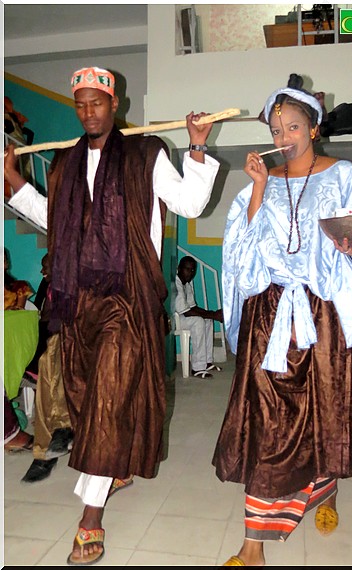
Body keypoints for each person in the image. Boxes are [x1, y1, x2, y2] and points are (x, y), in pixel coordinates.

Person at [4, 65, 219, 566]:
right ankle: (113, 465)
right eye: (79, 104)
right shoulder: (64, 164)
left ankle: (90, 519)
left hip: (128, 297)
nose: (87, 112)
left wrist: (197, 146)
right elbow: (52, 220)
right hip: (78, 301)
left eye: (96, 102)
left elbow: (189, 203)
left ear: (115, 103)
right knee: (89, 398)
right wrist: (11, 177)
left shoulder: (146, 154)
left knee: (108, 395)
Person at [211, 73, 352, 567]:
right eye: (276, 130)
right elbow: (242, 250)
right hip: (270, 314)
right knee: (267, 420)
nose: (284, 137)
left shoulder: (343, 174)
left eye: (293, 127)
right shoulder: (264, 180)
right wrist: (257, 188)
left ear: (313, 128)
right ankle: (253, 545)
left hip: (324, 314)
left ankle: (326, 494)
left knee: (326, 412)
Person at [21, 253, 73, 484]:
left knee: (58, 372)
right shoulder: (49, 284)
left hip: (76, 343)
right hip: (52, 341)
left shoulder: (74, 284)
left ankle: (64, 430)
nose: (43, 272)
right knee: (45, 383)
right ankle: (44, 453)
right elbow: (45, 320)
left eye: (47, 267)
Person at [175, 255, 224, 378]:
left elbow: (193, 307)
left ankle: (206, 362)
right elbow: (186, 312)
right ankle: (197, 367)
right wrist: (214, 315)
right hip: (174, 319)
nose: (190, 273)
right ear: (179, 268)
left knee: (208, 321)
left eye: (193, 270)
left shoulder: (187, 284)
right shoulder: (176, 284)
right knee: (198, 322)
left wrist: (212, 314)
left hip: (183, 316)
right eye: (187, 269)